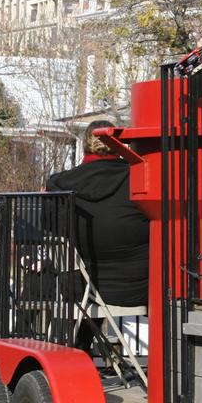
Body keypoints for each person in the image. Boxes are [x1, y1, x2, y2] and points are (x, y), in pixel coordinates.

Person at [45, 120, 149, 307]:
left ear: (85, 146)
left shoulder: (59, 185)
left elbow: (50, 231)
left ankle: (80, 336)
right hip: (136, 288)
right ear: (118, 145)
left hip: (80, 289)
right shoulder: (138, 178)